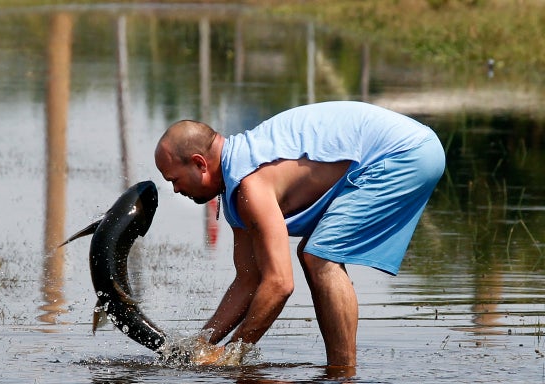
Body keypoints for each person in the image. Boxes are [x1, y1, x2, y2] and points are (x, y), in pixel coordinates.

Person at [154, 101, 445, 367]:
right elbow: (248, 279)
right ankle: (339, 375)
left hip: (406, 152)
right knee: (315, 254)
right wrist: (200, 345)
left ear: (199, 163)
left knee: (318, 256)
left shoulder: (250, 185)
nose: (176, 190)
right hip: (407, 148)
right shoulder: (237, 183)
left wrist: (232, 354)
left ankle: (343, 379)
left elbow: (279, 284)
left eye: (174, 180)